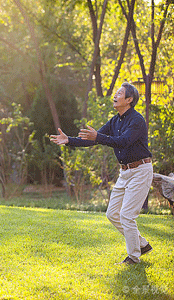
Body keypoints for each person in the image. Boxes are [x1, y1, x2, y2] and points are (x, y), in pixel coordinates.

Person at [50, 82, 153, 265]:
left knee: (127, 215)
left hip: (140, 170)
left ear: (129, 100)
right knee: (112, 213)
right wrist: (68, 141)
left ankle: (133, 257)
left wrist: (98, 137)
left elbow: (123, 141)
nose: (115, 95)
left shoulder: (136, 120)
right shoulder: (115, 120)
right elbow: (93, 140)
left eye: (120, 93)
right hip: (125, 172)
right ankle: (142, 244)